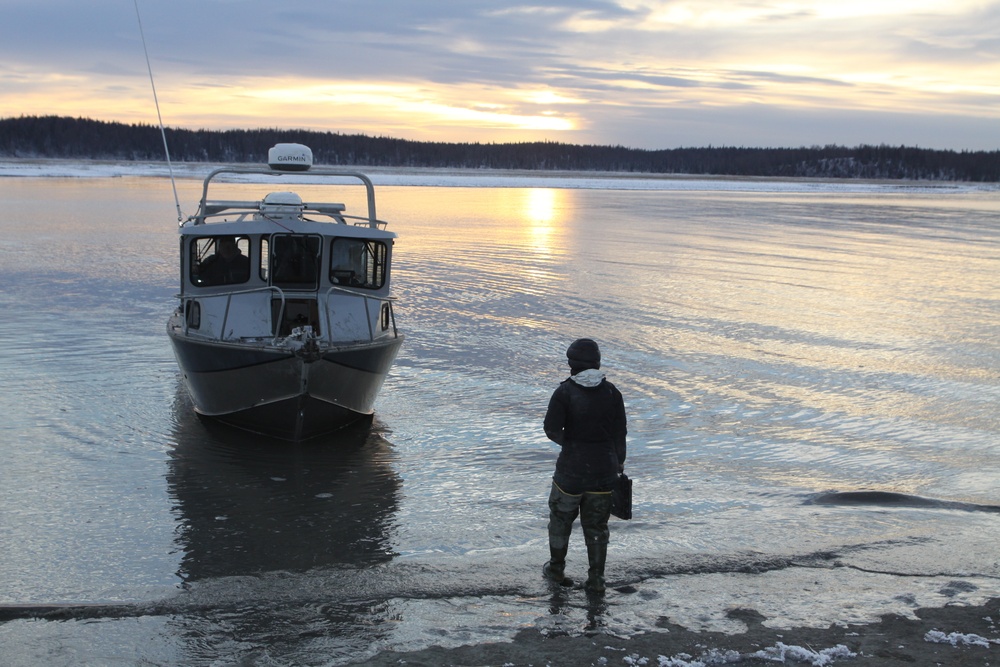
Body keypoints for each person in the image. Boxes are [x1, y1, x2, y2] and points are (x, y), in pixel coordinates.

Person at [542, 338, 627, 594]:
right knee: (597, 526)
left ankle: (556, 569)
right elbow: (620, 433)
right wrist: (619, 464)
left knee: (560, 520)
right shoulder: (612, 392)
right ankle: (596, 579)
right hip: (604, 472)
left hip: (570, 472)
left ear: (571, 364)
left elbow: (551, 429)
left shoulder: (564, 392)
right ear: (597, 362)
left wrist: (572, 444)